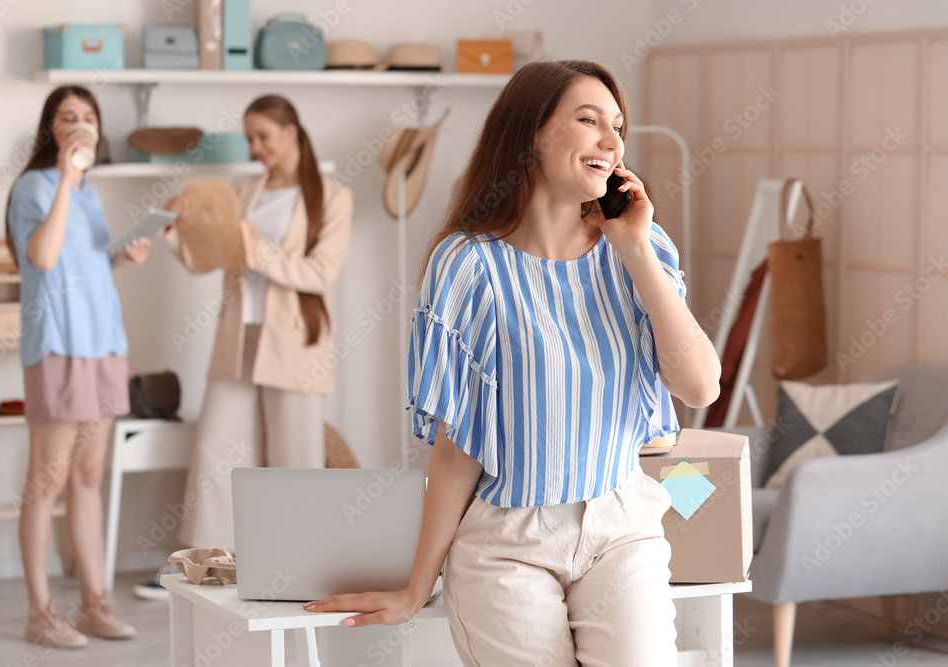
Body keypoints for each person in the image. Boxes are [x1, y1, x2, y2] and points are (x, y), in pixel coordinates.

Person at [304, 60, 722, 666]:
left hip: (621, 524)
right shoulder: (468, 266)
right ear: (532, 132)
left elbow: (700, 385)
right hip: (507, 542)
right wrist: (418, 585)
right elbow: (456, 448)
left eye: (618, 126)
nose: (611, 140)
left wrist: (632, 248)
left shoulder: (641, 247)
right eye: (588, 120)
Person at [134, 94, 352, 599]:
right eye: (250, 137)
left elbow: (320, 273)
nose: (255, 147)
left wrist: (257, 249)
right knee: (214, 452)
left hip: (295, 344)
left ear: (291, 131)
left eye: (263, 137)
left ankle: (301, 567)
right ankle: (202, 568)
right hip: (238, 339)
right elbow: (204, 258)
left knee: (294, 462)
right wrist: (173, 225)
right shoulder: (243, 190)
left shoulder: (333, 198)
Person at [7, 85, 150, 649]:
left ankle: (94, 604)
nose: (80, 125)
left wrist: (121, 254)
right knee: (48, 480)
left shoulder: (88, 193)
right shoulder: (34, 187)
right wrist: (66, 178)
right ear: (52, 131)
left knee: (88, 477)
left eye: (88, 117)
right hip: (58, 347)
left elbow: (81, 266)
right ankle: (40, 613)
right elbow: (41, 257)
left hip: (103, 345)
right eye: (68, 118)